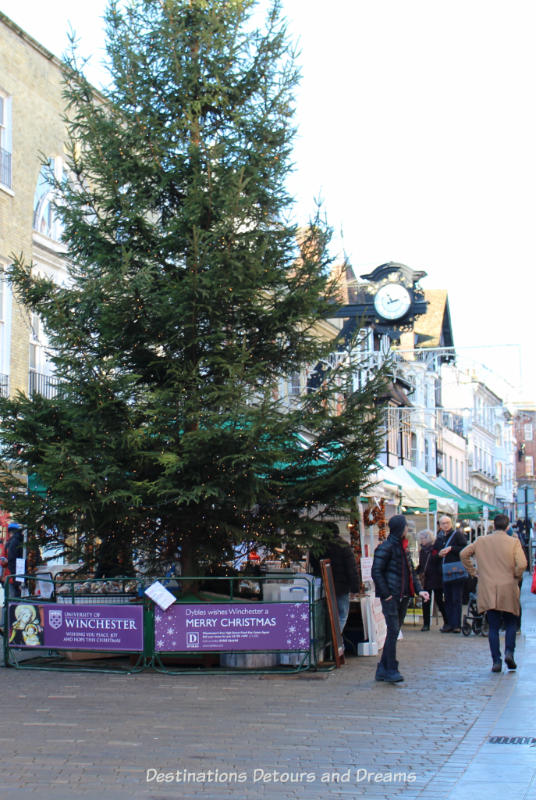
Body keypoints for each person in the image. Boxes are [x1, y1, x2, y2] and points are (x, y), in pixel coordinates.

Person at [461, 514, 527, 672]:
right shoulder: (513, 542)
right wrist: (516, 576)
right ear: (507, 527)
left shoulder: (482, 541)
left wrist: (474, 571)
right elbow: (522, 563)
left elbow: (464, 554)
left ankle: (496, 660)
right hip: (508, 586)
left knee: (493, 626)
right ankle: (509, 652)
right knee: (511, 623)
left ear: (494, 526)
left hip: (488, 586)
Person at [371, 514, 429, 683]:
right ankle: (391, 668)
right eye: (405, 527)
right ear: (399, 528)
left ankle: (383, 669)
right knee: (393, 630)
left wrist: (419, 590)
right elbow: (376, 571)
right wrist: (387, 594)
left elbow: (411, 572)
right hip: (392, 596)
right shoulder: (386, 547)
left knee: (393, 631)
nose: (407, 530)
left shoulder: (403, 548)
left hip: (403, 595)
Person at [309, 527, 360, 632]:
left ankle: (328, 641)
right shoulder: (344, 546)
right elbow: (351, 569)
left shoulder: (317, 546)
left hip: (322, 587)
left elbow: (313, 564)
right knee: (342, 615)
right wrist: (355, 588)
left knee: (325, 616)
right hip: (341, 588)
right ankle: (336, 641)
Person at [434, 516, 467, 633]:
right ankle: (449, 624)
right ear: (440, 525)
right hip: (444, 572)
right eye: (443, 523)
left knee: (456, 598)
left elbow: (465, 548)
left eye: (447, 523)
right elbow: (435, 552)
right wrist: (439, 554)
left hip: (456, 571)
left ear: (451, 523)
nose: (445, 525)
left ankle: (456, 624)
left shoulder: (457, 535)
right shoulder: (439, 537)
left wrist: (451, 548)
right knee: (447, 598)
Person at [417, 529, 447, 631]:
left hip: (436, 577)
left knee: (439, 600)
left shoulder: (435, 548)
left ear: (427, 538)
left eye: (422, 538)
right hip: (426, 578)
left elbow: (437, 560)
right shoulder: (422, 550)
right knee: (426, 601)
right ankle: (426, 624)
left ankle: (447, 622)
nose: (421, 541)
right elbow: (422, 564)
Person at [6, 522, 24, 599]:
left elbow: (11, 559)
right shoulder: (20, 541)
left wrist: (15, 578)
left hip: (13, 576)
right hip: (17, 576)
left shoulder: (12, 542)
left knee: (11, 600)